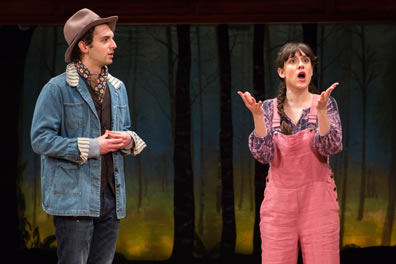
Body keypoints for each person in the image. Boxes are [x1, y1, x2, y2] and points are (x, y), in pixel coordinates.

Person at [31, 8, 146, 264]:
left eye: (112, 38)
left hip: (111, 198)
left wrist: (127, 140)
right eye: (105, 39)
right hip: (74, 200)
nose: (113, 44)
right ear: (83, 45)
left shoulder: (117, 88)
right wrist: (92, 146)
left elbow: (124, 128)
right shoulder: (57, 89)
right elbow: (40, 139)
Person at [238, 42, 342, 264]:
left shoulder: (325, 103)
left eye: (305, 61)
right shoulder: (267, 108)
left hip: (319, 207)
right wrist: (257, 117)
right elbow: (263, 155)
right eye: (293, 61)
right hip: (279, 208)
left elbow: (331, 147)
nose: (300, 65)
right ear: (281, 71)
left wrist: (322, 113)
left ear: (312, 70)